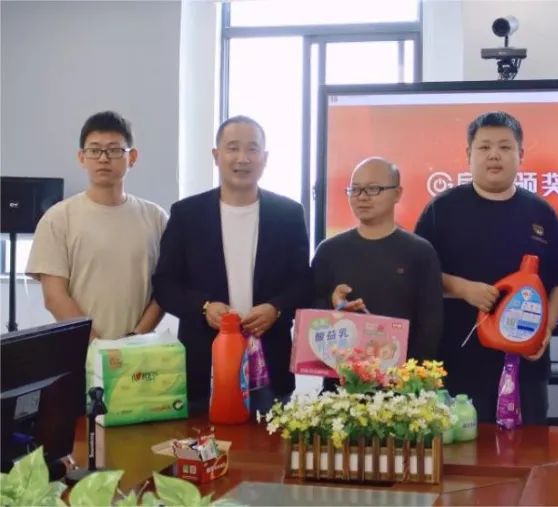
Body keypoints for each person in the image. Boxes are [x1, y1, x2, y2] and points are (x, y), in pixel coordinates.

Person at [415, 111, 558, 424]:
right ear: (469, 154)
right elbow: (418, 275)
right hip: (458, 363)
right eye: (485, 147)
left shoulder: (540, 212)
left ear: (520, 154)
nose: (494, 155)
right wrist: (463, 289)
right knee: (461, 448)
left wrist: (548, 327)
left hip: (526, 363)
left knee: (529, 448)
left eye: (504, 147)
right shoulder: (441, 210)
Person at [153, 115, 311, 415]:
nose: (242, 158)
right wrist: (203, 307)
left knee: (267, 444)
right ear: (216, 155)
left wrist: (275, 308)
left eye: (252, 149)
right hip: (204, 367)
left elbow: (303, 281)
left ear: (265, 158)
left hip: (270, 365)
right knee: (203, 443)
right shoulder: (187, 214)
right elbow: (165, 283)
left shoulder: (288, 214)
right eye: (233, 148)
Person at [27, 111, 167, 340]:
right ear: (82, 157)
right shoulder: (58, 218)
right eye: (94, 150)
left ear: (132, 157)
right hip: (79, 350)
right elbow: (54, 297)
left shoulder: (156, 218)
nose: (103, 158)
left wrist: (134, 338)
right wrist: (97, 346)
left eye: (114, 150)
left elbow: (165, 289)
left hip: (139, 351)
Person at [313, 157, 443, 392]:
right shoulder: (329, 250)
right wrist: (334, 307)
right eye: (355, 189)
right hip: (342, 387)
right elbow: (310, 315)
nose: (362, 197)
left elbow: (430, 325)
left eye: (373, 189)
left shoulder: (420, 252)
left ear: (397, 193)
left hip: (401, 388)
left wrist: (409, 380)